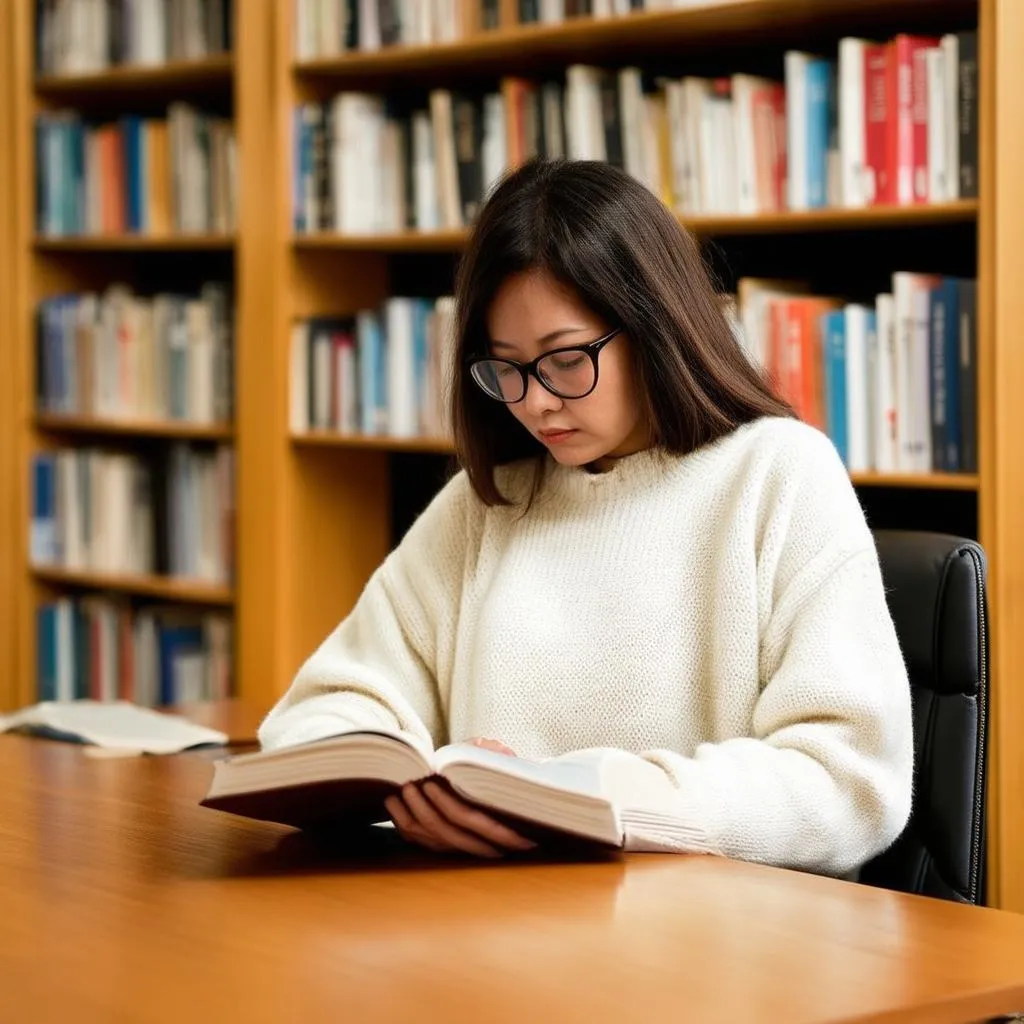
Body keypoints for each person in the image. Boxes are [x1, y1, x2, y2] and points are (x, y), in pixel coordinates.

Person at [258, 159, 914, 876]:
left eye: (566, 359)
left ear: (655, 326)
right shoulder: (491, 504)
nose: (535, 402)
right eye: (505, 367)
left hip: (725, 946)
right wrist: (407, 791)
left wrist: (610, 799)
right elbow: (319, 713)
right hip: (497, 933)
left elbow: (850, 782)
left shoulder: (778, 475)